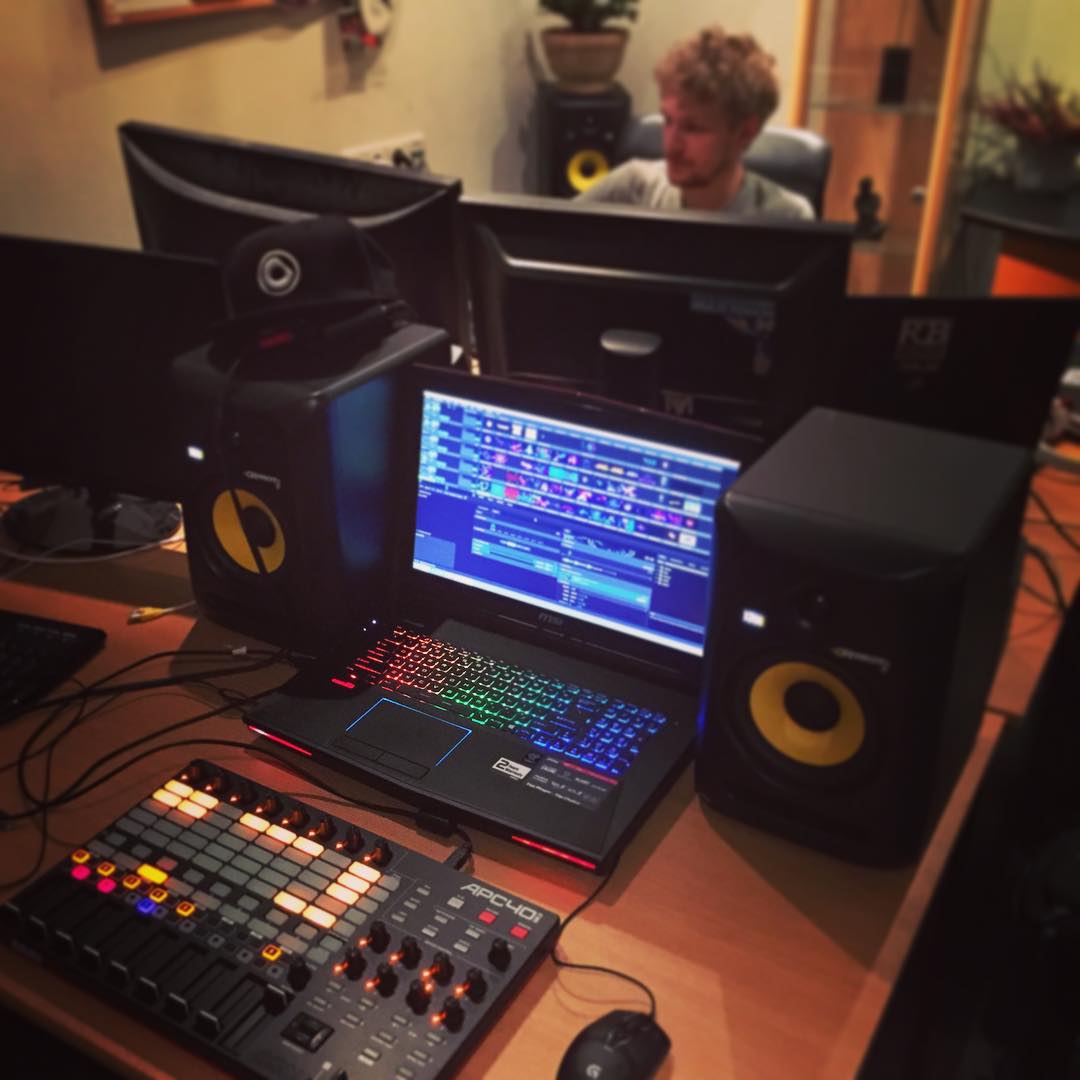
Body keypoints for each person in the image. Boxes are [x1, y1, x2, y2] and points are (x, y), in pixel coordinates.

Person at [577, 26, 814, 220]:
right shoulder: (633, 187)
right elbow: (558, 237)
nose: (672, 145)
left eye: (693, 128)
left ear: (745, 132)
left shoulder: (787, 217)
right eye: (668, 120)